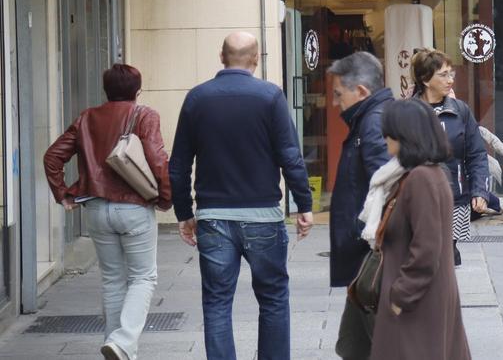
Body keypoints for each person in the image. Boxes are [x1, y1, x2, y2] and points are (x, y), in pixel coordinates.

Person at [168, 32, 314, 360]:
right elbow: (290, 156)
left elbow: (178, 164)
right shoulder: (270, 97)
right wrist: (303, 204)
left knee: (217, 303)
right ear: (256, 59)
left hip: (213, 217)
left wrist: (184, 213)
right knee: (273, 299)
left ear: (221, 57)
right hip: (263, 216)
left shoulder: (197, 98)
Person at [43, 64, 171, 360]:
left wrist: (63, 193)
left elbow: (52, 157)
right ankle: (123, 342)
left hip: (97, 208)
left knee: (113, 280)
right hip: (134, 208)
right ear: (137, 91)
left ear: (106, 91)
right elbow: (158, 160)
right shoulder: (145, 115)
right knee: (143, 278)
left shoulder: (87, 118)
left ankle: (118, 348)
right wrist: (165, 198)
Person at [362, 99, 470, 360]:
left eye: (389, 132)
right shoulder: (429, 174)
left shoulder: (420, 178)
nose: (385, 138)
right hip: (425, 297)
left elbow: (426, 249)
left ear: (405, 135)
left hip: (417, 302)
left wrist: (400, 296)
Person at [326, 52, 394, 354]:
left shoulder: (373, 122)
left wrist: (372, 243)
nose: (334, 102)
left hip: (368, 258)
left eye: (339, 94)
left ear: (362, 91)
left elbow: (388, 188)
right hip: (365, 257)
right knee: (353, 347)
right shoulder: (370, 119)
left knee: (375, 346)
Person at [412, 49, 488, 265]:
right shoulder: (408, 112)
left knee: (447, 255)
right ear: (425, 79)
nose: (450, 80)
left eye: (451, 73)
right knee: (422, 256)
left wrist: (479, 191)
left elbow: (477, 155)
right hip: (417, 199)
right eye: (443, 75)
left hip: (455, 197)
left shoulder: (460, 111)